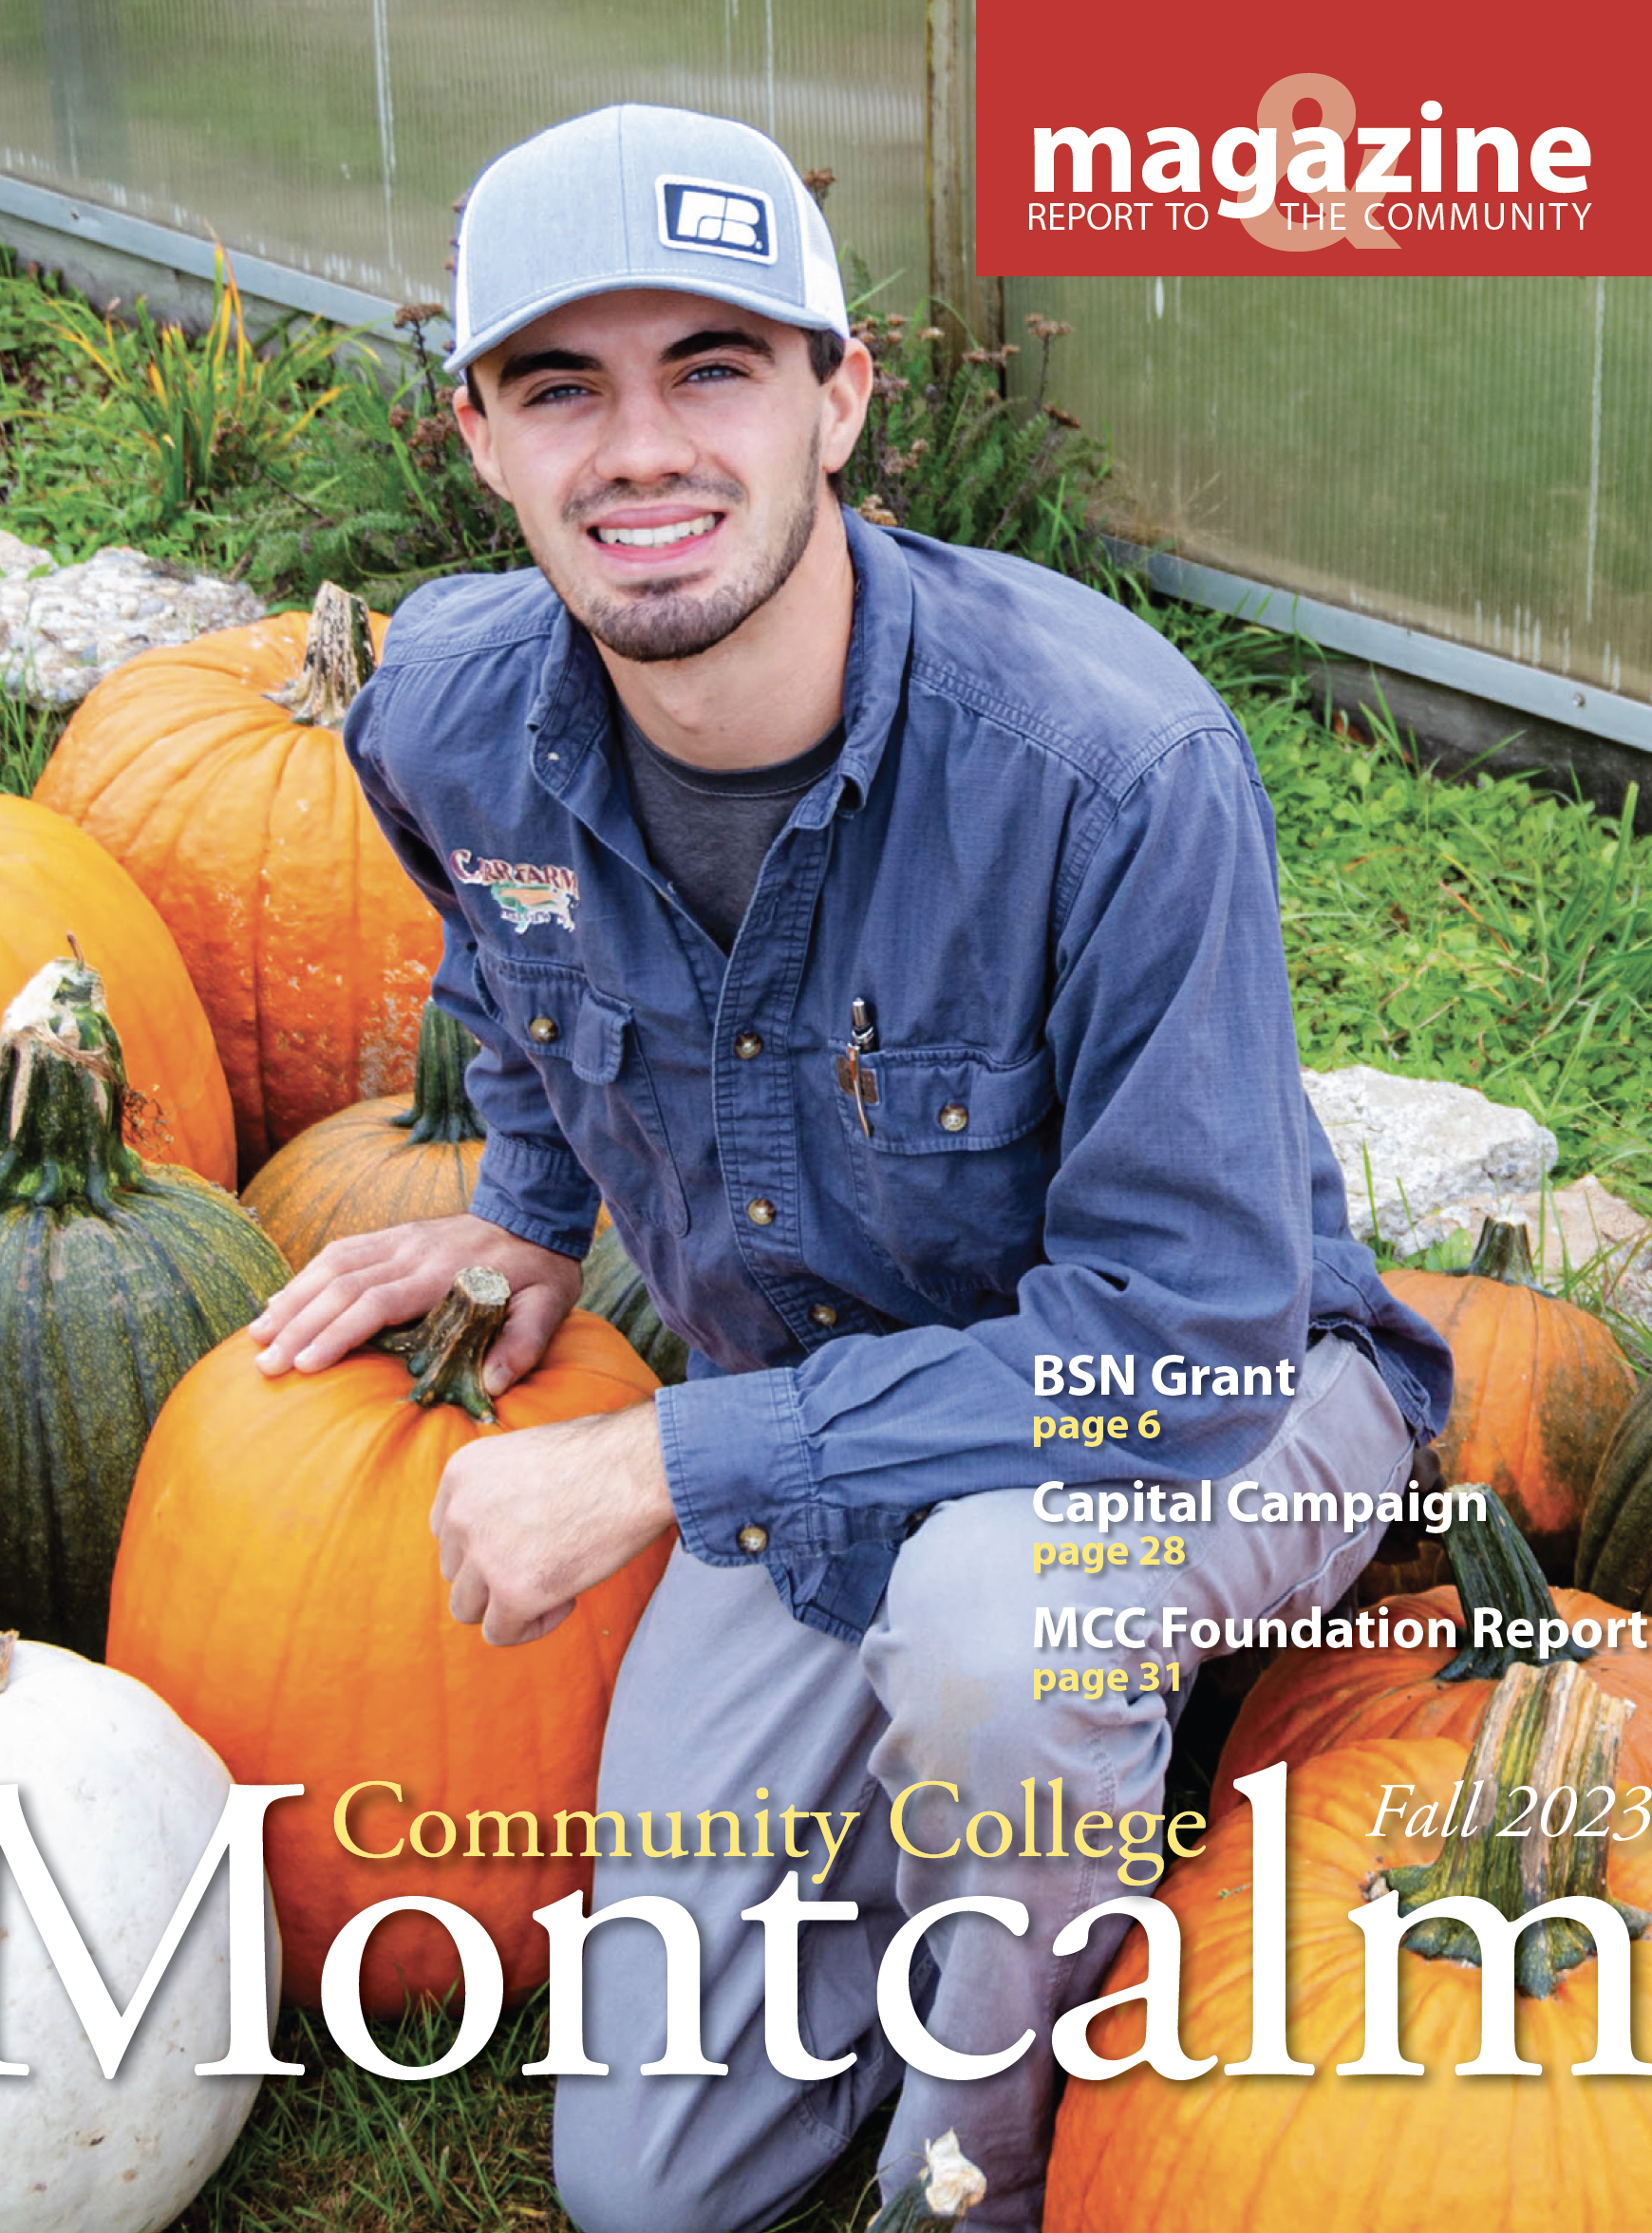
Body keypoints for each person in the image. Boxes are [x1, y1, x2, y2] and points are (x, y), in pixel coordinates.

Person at [249, 103, 1452, 2233]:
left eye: (713, 366)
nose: (642, 451)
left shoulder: (1108, 764)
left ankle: (973, 2170)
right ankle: (1007, 1838)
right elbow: (506, 935)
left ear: (839, 400)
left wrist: (662, 1465)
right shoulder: (442, 709)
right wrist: (529, 1215)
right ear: (479, 437)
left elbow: (1182, 1343)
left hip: (1235, 1400)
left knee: (996, 1633)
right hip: (821, 1409)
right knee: (653, 2190)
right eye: (564, 388)